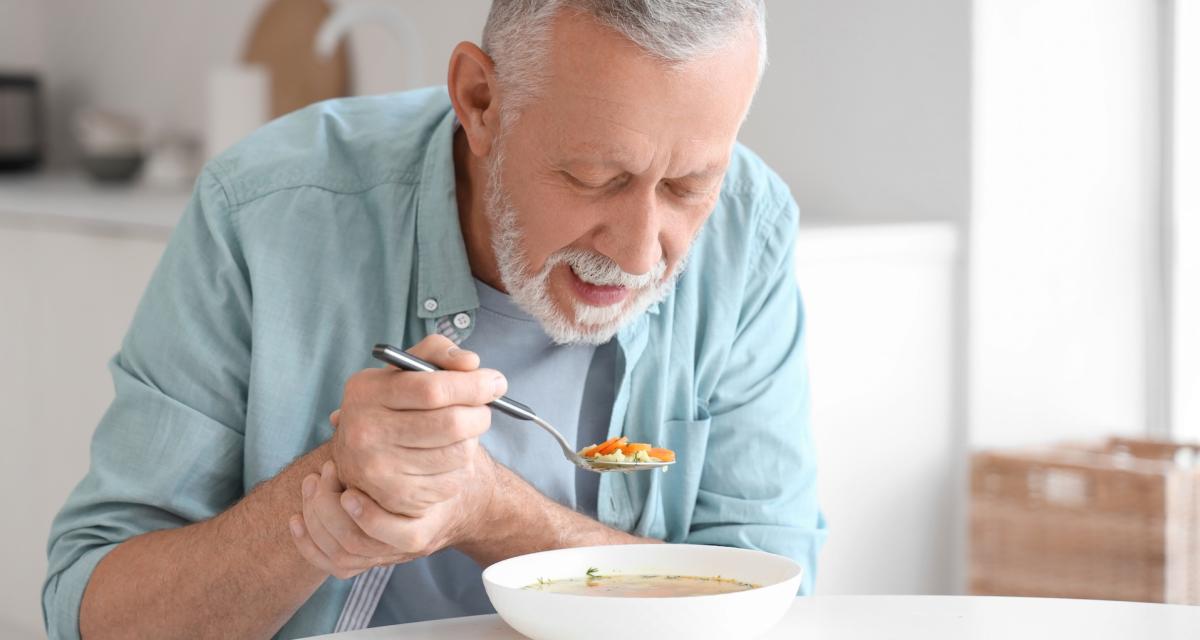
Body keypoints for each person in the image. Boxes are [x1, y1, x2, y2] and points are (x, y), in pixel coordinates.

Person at [44, 1, 826, 638]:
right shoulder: (267, 210)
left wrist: (490, 510)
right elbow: (94, 613)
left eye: (689, 186)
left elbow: (771, 597)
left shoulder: (747, 231)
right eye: (595, 177)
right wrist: (331, 489)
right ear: (480, 101)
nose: (637, 251)